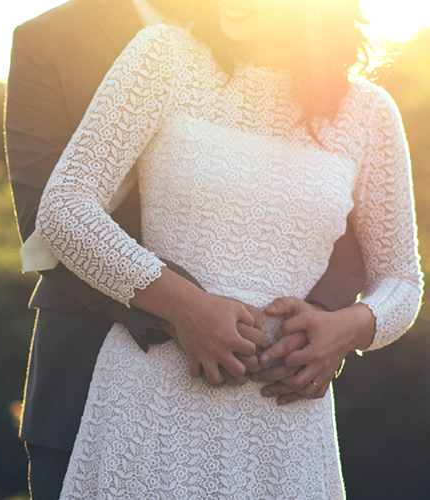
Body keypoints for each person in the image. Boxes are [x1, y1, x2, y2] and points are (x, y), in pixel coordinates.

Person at [34, 0, 423, 497]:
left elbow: (402, 281)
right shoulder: (163, 56)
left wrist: (347, 329)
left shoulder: (369, 114)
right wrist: (186, 307)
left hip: (285, 426)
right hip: (151, 406)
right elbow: (65, 208)